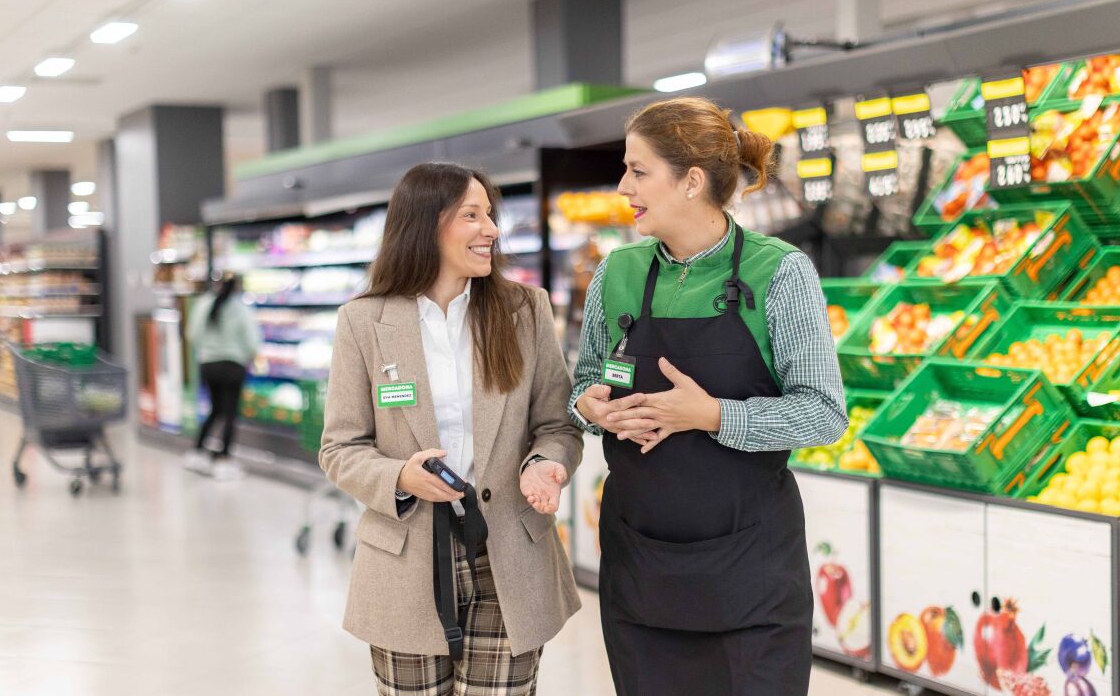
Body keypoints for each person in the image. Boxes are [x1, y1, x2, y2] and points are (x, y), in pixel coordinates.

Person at [568, 97, 848, 696]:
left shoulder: (780, 273)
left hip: (751, 578)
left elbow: (824, 414)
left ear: (692, 181)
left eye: (638, 171)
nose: (623, 187)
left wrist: (712, 415)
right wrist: (591, 409)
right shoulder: (616, 274)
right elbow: (584, 382)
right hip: (641, 571)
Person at [320, 162, 583, 696]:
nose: (490, 229)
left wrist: (545, 463)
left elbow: (557, 424)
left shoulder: (524, 310)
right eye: (471, 215)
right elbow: (340, 448)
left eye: (490, 215)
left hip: (509, 552)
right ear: (424, 224)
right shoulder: (364, 321)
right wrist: (400, 477)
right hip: (406, 558)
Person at [185, 273, 262, 481]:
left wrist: (208, 350)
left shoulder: (203, 304)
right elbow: (252, 341)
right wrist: (251, 357)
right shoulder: (240, 309)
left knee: (215, 409)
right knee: (229, 413)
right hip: (232, 366)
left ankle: (198, 451)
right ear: (238, 287)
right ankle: (223, 460)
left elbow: (192, 334)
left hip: (208, 364)